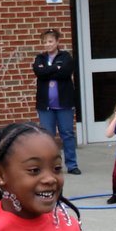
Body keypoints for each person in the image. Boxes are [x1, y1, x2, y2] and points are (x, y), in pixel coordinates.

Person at [32, 29, 80, 175]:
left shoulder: (65, 57)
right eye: (45, 42)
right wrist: (54, 68)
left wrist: (48, 70)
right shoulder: (39, 58)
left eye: (51, 41)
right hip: (45, 105)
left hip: (64, 104)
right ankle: (50, 166)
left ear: (57, 42)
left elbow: (65, 72)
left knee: (67, 134)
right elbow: (39, 73)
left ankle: (72, 165)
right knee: (47, 136)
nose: (48, 44)